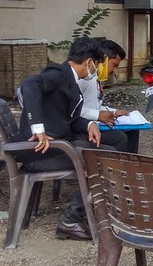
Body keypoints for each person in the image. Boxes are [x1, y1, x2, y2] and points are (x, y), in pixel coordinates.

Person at [15, 37, 128, 241]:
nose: (97, 69)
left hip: (55, 146)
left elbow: (70, 119)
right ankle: (70, 220)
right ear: (89, 62)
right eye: (98, 64)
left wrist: (88, 124)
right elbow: (29, 85)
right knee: (102, 158)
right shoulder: (58, 74)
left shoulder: (71, 80)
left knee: (110, 150)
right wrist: (38, 127)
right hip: (38, 151)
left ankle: (90, 210)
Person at [78, 39, 139, 153]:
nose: (114, 70)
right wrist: (99, 115)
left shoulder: (95, 78)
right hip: (82, 128)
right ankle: (118, 169)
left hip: (94, 122)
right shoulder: (85, 78)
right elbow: (74, 109)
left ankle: (131, 165)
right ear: (104, 58)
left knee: (133, 131)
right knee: (120, 139)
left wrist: (114, 112)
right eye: (114, 65)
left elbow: (96, 105)